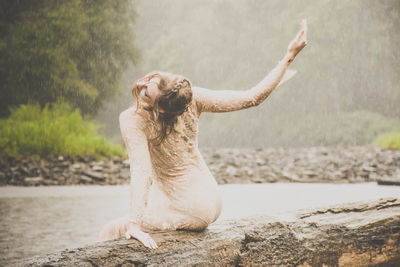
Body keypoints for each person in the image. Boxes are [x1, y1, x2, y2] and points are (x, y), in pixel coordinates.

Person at [99, 19, 308, 249]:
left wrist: (134, 225)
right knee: (135, 218)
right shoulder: (190, 98)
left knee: (112, 230)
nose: (140, 85)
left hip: (188, 208)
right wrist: (289, 56)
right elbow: (251, 97)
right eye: (146, 83)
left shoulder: (132, 119)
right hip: (212, 201)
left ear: (160, 108)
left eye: (147, 90)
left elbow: (142, 172)